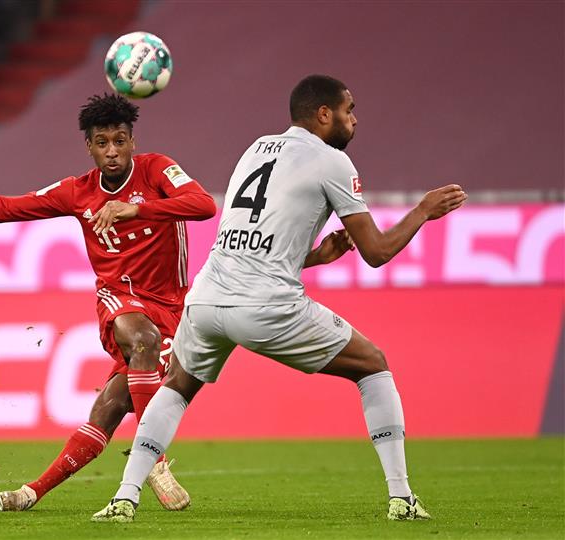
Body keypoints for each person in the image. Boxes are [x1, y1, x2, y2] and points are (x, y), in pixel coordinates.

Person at [91, 75, 469, 523]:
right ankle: (402, 498)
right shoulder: (332, 161)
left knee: (175, 389)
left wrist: (311, 258)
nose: (355, 120)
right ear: (323, 114)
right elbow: (377, 253)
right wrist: (423, 211)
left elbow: (252, 244)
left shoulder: (256, 149)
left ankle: (124, 498)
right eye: (349, 110)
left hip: (207, 298)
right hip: (266, 305)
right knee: (373, 365)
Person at [0, 93, 218, 512]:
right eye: (102, 143)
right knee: (141, 338)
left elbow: (203, 206)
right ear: (88, 147)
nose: (112, 152)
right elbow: (7, 209)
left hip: (172, 308)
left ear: (133, 141)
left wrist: (135, 210)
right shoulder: (77, 192)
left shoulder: (158, 169)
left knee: (109, 409)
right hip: (121, 298)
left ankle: (31, 492)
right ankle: (156, 462)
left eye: (120, 140)